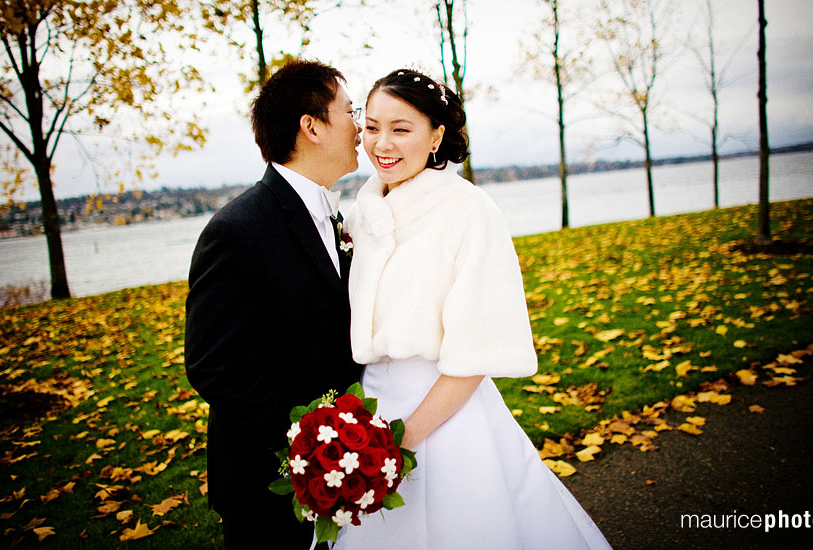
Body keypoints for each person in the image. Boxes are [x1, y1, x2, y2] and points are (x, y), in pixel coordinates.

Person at [333, 69, 612, 549]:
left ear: (437, 135)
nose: (382, 143)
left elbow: (474, 355)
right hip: (368, 413)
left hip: (448, 417)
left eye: (402, 129)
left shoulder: (470, 212)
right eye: (373, 126)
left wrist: (396, 446)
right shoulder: (360, 214)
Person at [185, 59, 364, 550]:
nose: (361, 124)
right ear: (311, 127)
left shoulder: (335, 215)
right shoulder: (237, 230)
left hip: (344, 473)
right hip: (267, 484)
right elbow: (214, 366)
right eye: (350, 111)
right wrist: (314, 441)